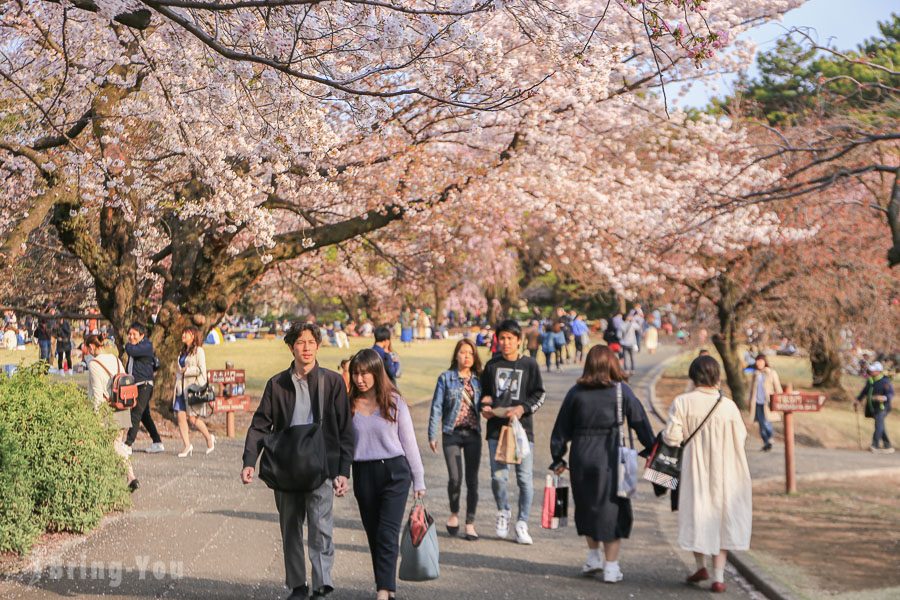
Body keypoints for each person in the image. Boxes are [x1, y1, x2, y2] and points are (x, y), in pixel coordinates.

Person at [241, 322, 355, 599]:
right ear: (291, 346)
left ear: (318, 346)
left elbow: (345, 430)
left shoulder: (332, 381)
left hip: (321, 466)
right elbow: (260, 425)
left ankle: (321, 584)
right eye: (301, 342)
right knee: (290, 529)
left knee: (321, 529)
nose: (306, 347)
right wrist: (249, 461)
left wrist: (343, 471)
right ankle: (297, 585)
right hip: (286, 466)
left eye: (311, 342)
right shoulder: (277, 384)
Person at [550, 345, 655, 583]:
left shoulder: (575, 393)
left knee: (586, 505)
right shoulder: (621, 391)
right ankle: (611, 566)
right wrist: (651, 450)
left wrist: (558, 456)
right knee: (613, 508)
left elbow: (561, 428)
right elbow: (640, 422)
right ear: (612, 364)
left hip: (582, 454)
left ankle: (593, 556)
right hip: (612, 455)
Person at [662, 356, 752, 594]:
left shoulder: (682, 402)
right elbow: (741, 437)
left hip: (695, 468)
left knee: (698, 514)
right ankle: (719, 577)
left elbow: (672, 438)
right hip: (727, 470)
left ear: (693, 376)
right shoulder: (729, 405)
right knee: (722, 518)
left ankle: (700, 565)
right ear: (717, 375)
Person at [349, 349, 425, 600]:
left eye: (365, 373)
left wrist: (419, 479)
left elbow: (409, 443)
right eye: (356, 374)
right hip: (363, 472)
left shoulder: (394, 402)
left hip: (395, 472)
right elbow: (343, 443)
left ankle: (384, 591)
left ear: (376, 372)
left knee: (387, 532)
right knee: (373, 533)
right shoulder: (349, 405)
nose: (360, 379)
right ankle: (385, 585)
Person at [480, 319, 546, 545]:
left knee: (525, 479)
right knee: (498, 477)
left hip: (522, 432)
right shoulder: (491, 366)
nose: (506, 343)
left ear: (519, 341)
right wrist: (485, 408)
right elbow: (485, 394)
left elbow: (539, 395)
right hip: (496, 430)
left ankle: (522, 523)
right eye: (503, 338)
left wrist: (523, 408)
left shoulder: (529, 365)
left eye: (510, 338)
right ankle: (503, 512)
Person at [428, 338, 483, 541]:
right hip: (451, 433)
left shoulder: (479, 379)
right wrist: (432, 434)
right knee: (454, 478)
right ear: (456, 355)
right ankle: (454, 513)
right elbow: (436, 407)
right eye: (462, 352)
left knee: (472, 480)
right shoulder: (446, 378)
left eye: (470, 353)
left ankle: (470, 522)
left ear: (474, 356)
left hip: (473, 434)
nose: (466, 356)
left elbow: (488, 401)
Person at [85, 334, 139, 492]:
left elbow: (97, 393)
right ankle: (126, 478)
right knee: (117, 444)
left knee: (112, 446)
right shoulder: (116, 359)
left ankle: (129, 477)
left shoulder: (94, 364)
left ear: (92, 347)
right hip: (122, 407)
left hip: (107, 410)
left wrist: (95, 416)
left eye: (88, 348)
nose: (88, 351)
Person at [172, 326, 214, 457]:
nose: (183, 335)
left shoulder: (199, 351)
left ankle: (208, 437)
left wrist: (187, 371)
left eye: (187, 333)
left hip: (192, 389)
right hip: (180, 389)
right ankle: (187, 445)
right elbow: (179, 369)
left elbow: (202, 369)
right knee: (180, 416)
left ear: (193, 336)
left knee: (193, 419)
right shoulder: (182, 351)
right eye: (183, 332)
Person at [124, 323, 164, 454]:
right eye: (129, 334)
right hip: (136, 385)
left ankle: (128, 444)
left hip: (144, 385)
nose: (130, 337)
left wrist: (128, 344)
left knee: (136, 413)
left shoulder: (146, 346)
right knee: (144, 415)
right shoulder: (137, 346)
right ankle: (157, 442)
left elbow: (130, 350)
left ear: (142, 335)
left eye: (134, 334)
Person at [855, 362, 894, 453]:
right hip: (873, 407)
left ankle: (874, 445)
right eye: (871, 370)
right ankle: (887, 445)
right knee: (880, 425)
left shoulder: (885, 381)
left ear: (879, 371)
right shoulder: (870, 381)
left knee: (878, 425)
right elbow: (864, 392)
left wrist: (883, 398)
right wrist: (858, 400)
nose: (871, 372)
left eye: (873, 370)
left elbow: (890, 394)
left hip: (882, 407)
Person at [748, 354, 782, 452]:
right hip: (757, 402)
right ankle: (766, 442)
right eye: (757, 361)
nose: (759, 364)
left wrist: (778, 399)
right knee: (761, 423)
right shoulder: (755, 374)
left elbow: (777, 387)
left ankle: (770, 438)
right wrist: (750, 401)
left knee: (766, 421)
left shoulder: (771, 373)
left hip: (767, 402)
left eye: (761, 361)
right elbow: (751, 389)